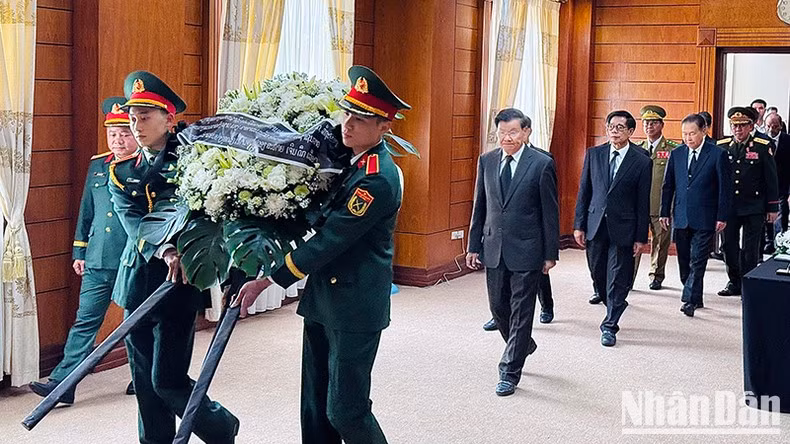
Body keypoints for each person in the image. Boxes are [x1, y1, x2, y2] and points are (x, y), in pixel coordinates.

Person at [234, 65, 409, 443]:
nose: (347, 124)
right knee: (314, 408)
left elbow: (330, 239)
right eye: (346, 113)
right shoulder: (348, 162)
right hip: (324, 298)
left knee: (346, 411)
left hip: (354, 306)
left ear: (384, 127)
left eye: (361, 119)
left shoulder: (377, 178)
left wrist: (271, 278)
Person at [109, 71, 239, 443]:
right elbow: (135, 226)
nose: (135, 125)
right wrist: (165, 249)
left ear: (169, 118)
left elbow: (213, 214)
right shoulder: (121, 172)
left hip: (180, 285)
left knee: (166, 380)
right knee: (145, 387)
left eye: (145, 116)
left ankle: (219, 426)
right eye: (132, 117)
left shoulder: (196, 163)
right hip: (138, 284)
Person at [29, 97, 138, 404]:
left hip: (133, 257)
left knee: (136, 321)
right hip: (99, 256)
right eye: (112, 134)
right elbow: (87, 211)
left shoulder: (147, 166)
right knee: (85, 320)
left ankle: (142, 375)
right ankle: (63, 384)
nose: (117, 140)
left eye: (124, 133)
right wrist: (80, 251)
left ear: (135, 131)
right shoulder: (97, 165)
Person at [466, 108, 558, 396]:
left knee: (521, 311)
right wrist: (473, 245)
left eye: (513, 132)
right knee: (498, 307)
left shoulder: (541, 164)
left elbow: (550, 213)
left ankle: (509, 371)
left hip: (528, 249)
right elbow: (480, 206)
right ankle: (523, 344)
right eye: (502, 133)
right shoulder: (487, 161)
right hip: (494, 246)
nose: (506, 138)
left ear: (526, 132)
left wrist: (549, 253)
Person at [573, 110, 651, 347]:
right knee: (598, 272)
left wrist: (641, 236)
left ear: (630, 131)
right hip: (595, 223)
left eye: (620, 127)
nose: (614, 131)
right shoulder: (594, 154)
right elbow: (584, 192)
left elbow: (642, 201)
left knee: (618, 276)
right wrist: (579, 225)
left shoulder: (642, 159)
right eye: (611, 126)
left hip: (624, 227)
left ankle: (610, 324)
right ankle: (614, 302)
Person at [660, 114, 732, 317]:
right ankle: (695, 294)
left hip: (706, 217)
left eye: (692, 133)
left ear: (704, 131)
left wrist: (722, 216)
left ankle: (689, 299)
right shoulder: (677, 154)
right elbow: (668, 186)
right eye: (684, 134)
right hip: (681, 216)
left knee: (698, 259)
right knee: (684, 261)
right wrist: (664, 212)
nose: (688, 138)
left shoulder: (718, 154)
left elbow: (724, 189)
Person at [717, 107, 780, 297]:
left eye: (742, 125)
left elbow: (771, 178)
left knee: (751, 247)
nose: (738, 130)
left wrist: (772, 207)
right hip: (729, 206)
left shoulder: (762, 145)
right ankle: (734, 280)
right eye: (734, 126)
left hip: (754, 205)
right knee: (728, 245)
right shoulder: (722, 145)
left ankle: (748, 282)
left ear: (751, 126)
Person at [632, 105, 677, 290]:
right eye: (646, 122)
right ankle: (628, 278)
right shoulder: (636, 149)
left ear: (661, 124)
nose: (649, 126)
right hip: (639, 206)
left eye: (653, 122)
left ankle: (656, 276)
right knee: (634, 243)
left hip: (661, 206)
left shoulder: (673, 149)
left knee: (660, 243)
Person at [766, 112, 790, 234]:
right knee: (766, 216)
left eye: (775, 126)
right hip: (764, 187)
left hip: (782, 185)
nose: (771, 130)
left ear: (781, 126)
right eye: (768, 126)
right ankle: (768, 242)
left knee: (781, 213)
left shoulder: (787, 140)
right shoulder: (761, 140)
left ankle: (780, 240)